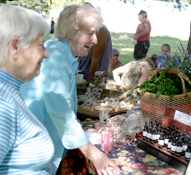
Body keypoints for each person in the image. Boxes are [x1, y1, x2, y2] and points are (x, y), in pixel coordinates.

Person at [20, 5, 119, 175]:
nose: (95, 40)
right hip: (30, 154)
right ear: (72, 32)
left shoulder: (61, 52)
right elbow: (61, 112)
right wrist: (95, 155)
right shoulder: (55, 57)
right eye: (90, 33)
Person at [0, 5, 54, 174]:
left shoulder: (9, 91)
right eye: (40, 45)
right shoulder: (3, 103)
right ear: (15, 47)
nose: (46, 54)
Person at [78, 0, 112, 81]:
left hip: (93, 83)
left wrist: (90, 85)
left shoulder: (101, 30)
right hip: (82, 79)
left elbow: (95, 62)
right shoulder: (88, 29)